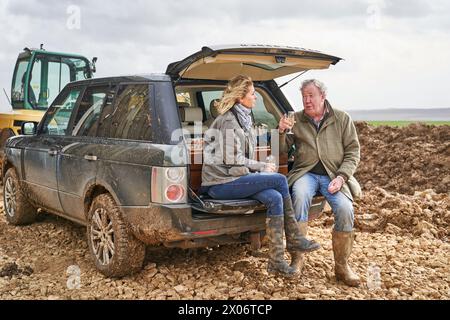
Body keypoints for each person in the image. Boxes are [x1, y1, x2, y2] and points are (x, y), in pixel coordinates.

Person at [201, 75, 320, 277]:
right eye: (253, 94)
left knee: (274, 197)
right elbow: (232, 159)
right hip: (220, 183)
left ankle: (276, 261)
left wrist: (278, 133)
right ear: (240, 97)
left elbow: (248, 151)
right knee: (280, 180)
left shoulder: (243, 119)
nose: (255, 97)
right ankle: (294, 238)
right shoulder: (229, 121)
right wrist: (262, 166)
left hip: (235, 177)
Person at [278, 79, 362, 286]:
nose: (306, 101)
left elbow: (353, 152)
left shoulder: (341, 118)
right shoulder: (295, 119)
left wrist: (342, 176)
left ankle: (342, 266)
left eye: (311, 96)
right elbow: (280, 150)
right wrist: (280, 131)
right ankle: (297, 259)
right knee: (298, 196)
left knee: (345, 208)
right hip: (305, 173)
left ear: (322, 96)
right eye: (304, 97)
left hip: (334, 175)